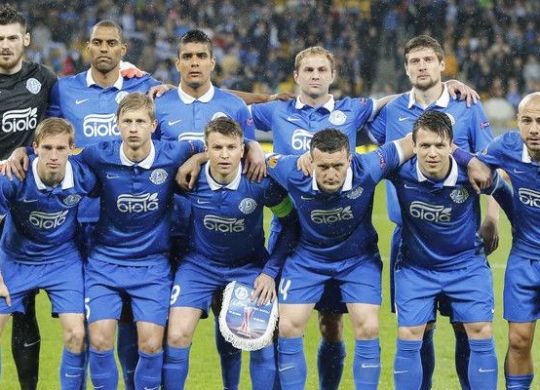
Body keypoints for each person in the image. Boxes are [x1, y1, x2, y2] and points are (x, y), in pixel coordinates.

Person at [246, 44, 477, 390]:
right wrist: (252, 145)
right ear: (296, 75)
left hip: (354, 253)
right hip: (297, 243)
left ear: (333, 75)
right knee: (283, 326)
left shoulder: (355, 126)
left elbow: (412, 139)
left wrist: (443, 90)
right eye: (307, 70)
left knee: (346, 326)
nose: (314, 76)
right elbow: (231, 118)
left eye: (321, 70)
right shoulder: (281, 128)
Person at [6, 92, 205, 389]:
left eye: (140, 121)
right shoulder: (99, 154)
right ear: (117, 125)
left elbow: (207, 146)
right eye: (127, 121)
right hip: (104, 262)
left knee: (151, 345)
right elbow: (56, 153)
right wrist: (20, 152)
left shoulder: (174, 153)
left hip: (152, 265)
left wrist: (201, 158)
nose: (134, 128)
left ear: (153, 125)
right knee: (98, 341)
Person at [367, 35, 498, 390]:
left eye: (428, 60)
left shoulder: (467, 106)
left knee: (465, 327)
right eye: (414, 61)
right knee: (417, 329)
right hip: (409, 238)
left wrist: (491, 218)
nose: (422, 66)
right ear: (406, 68)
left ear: (443, 65)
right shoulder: (394, 112)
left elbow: (490, 167)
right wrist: (389, 97)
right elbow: (361, 124)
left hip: (461, 235)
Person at [154, 29, 265, 390]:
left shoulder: (233, 105)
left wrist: (255, 149)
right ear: (178, 63)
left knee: (229, 320)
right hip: (170, 233)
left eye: (201, 55)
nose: (195, 62)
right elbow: (153, 163)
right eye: (187, 57)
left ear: (212, 62)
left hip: (225, 232)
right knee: (162, 326)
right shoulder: (160, 104)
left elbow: (245, 150)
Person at [266, 128, 414, 389]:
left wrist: (465, 158)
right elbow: (252, 155)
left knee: (367, 327)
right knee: (288, 327)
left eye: (338, 166)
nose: (331, 173)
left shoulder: (369, 166)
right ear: (310, 161)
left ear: (350, 160)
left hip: (358, 260)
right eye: (323, 166)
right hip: (307, 259)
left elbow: (415, 141)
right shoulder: (291, 170)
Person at [163, 117, 297, 390]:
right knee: (176, 336)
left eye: (231, 148)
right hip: (198, 266)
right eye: (217, 148)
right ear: (206, 150)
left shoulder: (260, 181)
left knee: (260, 340)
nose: (224, 155)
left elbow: (291, 225)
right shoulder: (188, 179)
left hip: (248, 267)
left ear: (242, 149)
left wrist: (270, 272)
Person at [390, 111, 512, 390]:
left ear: (451, 146)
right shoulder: (399, 171)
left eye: (439, 146)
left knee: (480, 331)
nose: (432, 153)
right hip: (415, 267)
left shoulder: (470, 174)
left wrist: (493, 220)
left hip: (466, 265)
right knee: (409, 334)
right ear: (414, 146)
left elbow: (504, 191)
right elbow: (360, 169)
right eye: (425, 146)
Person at [0, 118, 95, 389]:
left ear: (71, 149)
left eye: (61, 149)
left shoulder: (84, 177)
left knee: (77, 334)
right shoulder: (12, 177)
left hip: (62, 261)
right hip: (15, 259)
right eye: (48, 148)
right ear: (35, 148)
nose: (54, 156)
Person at [0, 4, 57, 388]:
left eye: (10, 38)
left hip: (31, 207)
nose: (4, 45)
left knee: (23, 307)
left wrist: (138, 74)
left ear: (26, 40)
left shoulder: (45, 80)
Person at [468, 92, 540, 390]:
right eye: (527, 120)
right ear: (517, 123)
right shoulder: (508, 146)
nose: (534, 129)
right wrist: (492, 217)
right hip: (524, 257)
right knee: (519, 340)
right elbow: (476, 166)